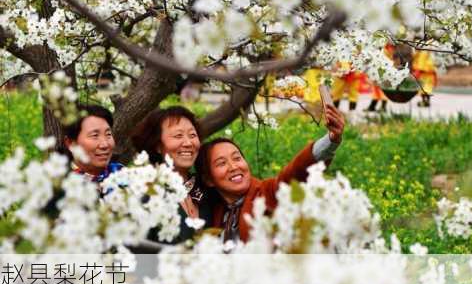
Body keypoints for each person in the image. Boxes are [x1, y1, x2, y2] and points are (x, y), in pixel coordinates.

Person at [195, 104, 345, 243]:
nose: (233, 166)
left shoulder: (266, 194)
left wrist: (331, 140)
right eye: (221, 163)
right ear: (208, 179)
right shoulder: (214, 210)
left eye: (237, 158)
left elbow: (294, 173)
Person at [131, 106, 216, 236]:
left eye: (192, 135)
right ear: (158, 146)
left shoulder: (207, 188)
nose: (188, 143)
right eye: (178, 135)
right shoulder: (145, 193)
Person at [63, 104, 123, 183]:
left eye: (108, 134)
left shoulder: (122, 174)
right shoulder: (59, 185)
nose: (105, 145)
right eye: (95, 135)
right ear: (70, 143)